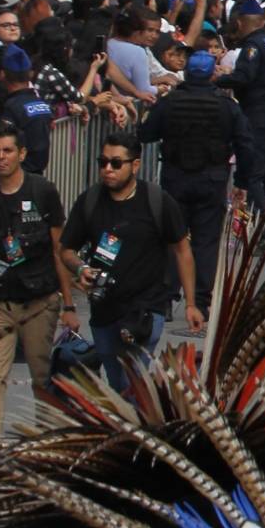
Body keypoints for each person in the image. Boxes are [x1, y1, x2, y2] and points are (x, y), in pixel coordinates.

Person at [59, 132, 202, 389]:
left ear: (135, 165)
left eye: (116, 163)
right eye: (103, 162)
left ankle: (136, 422)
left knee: (134, 381)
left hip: (146, 308)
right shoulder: (90, 201)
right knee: (117, 381)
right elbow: (66, 250)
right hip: (104, 308)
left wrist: (191, 303)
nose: (107, 169)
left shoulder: (157, 201)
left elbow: (182, 250)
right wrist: (80, 268)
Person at [0, 120, 75, 439]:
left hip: (39, 302)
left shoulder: (42, 190)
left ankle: (46, 441)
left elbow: (59, 249)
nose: (1, 157)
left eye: (8, 151)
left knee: (41, 375)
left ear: (21, 154)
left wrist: (69, 304)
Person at [140, 50, 255, 307]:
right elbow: (246, 145)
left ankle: (167, 299)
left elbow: (146, 133)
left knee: (172, 236)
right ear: (212, 72)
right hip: (212, 180)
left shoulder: (170, 102)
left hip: (175, 177)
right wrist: (242, 182)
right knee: (206, 240)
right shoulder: (226, 106)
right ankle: (201, 301)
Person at [226, 0, 265, 207]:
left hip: (256, 113)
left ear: (241, 22)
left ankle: (260, 224)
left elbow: (244, 77)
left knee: (253, 173)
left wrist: (219, 80)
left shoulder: (252, 46)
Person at [0, 44, 54, 174]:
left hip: (17, 177)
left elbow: (2, 140)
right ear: (30, 73)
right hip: (37, 176)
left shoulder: (12, 107)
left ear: (3, 74)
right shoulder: (42, 104)